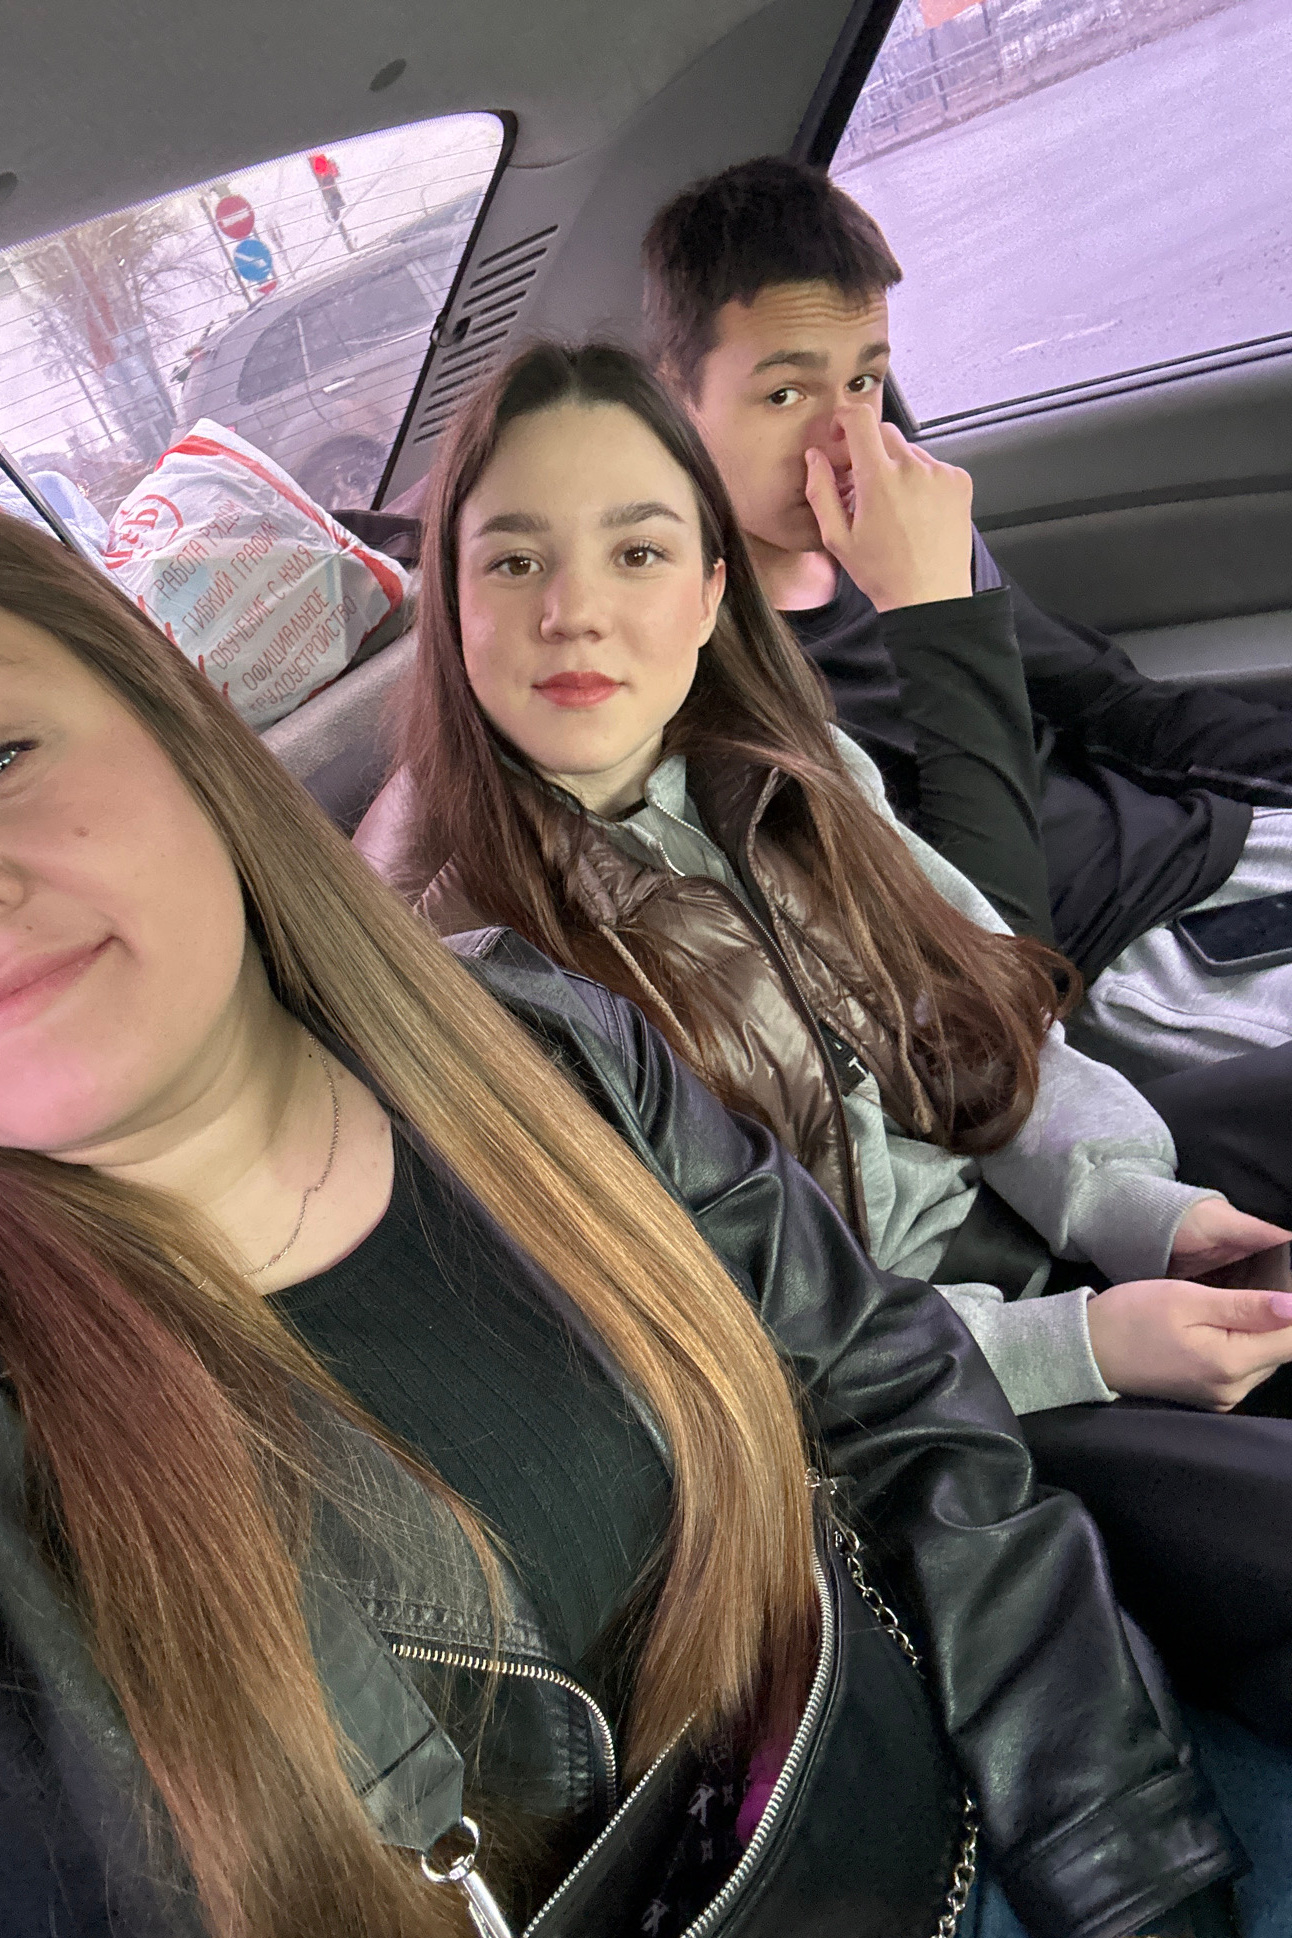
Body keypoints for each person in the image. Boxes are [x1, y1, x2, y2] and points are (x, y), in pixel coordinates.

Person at [0, 475, 1252, 1938]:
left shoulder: (546, 1037)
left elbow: (896, 1410)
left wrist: (1127, 1909)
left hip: (993, 1847)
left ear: (177, 726)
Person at [353, 338, 1292, 1753]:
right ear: (452, 604)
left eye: (637, 552)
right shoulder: (474, 973)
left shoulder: (800, 774)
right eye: (515, 561)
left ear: (709, 588)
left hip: (1015, 1216)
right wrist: (1084, 1342)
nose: (574, 612)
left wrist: (1133, 1207)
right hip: (888, 1412)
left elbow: (985, 1013)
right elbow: (726, 1359)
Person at [638, 155, 1292, 1099]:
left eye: (864, 381)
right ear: (676, 394)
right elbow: (997, 973)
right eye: (784, 395)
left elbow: (1113, 705)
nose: (847, 441)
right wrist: (931, 615)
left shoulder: (903, 525)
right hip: (1137, 961)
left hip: (1225, 843)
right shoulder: (705, 672)